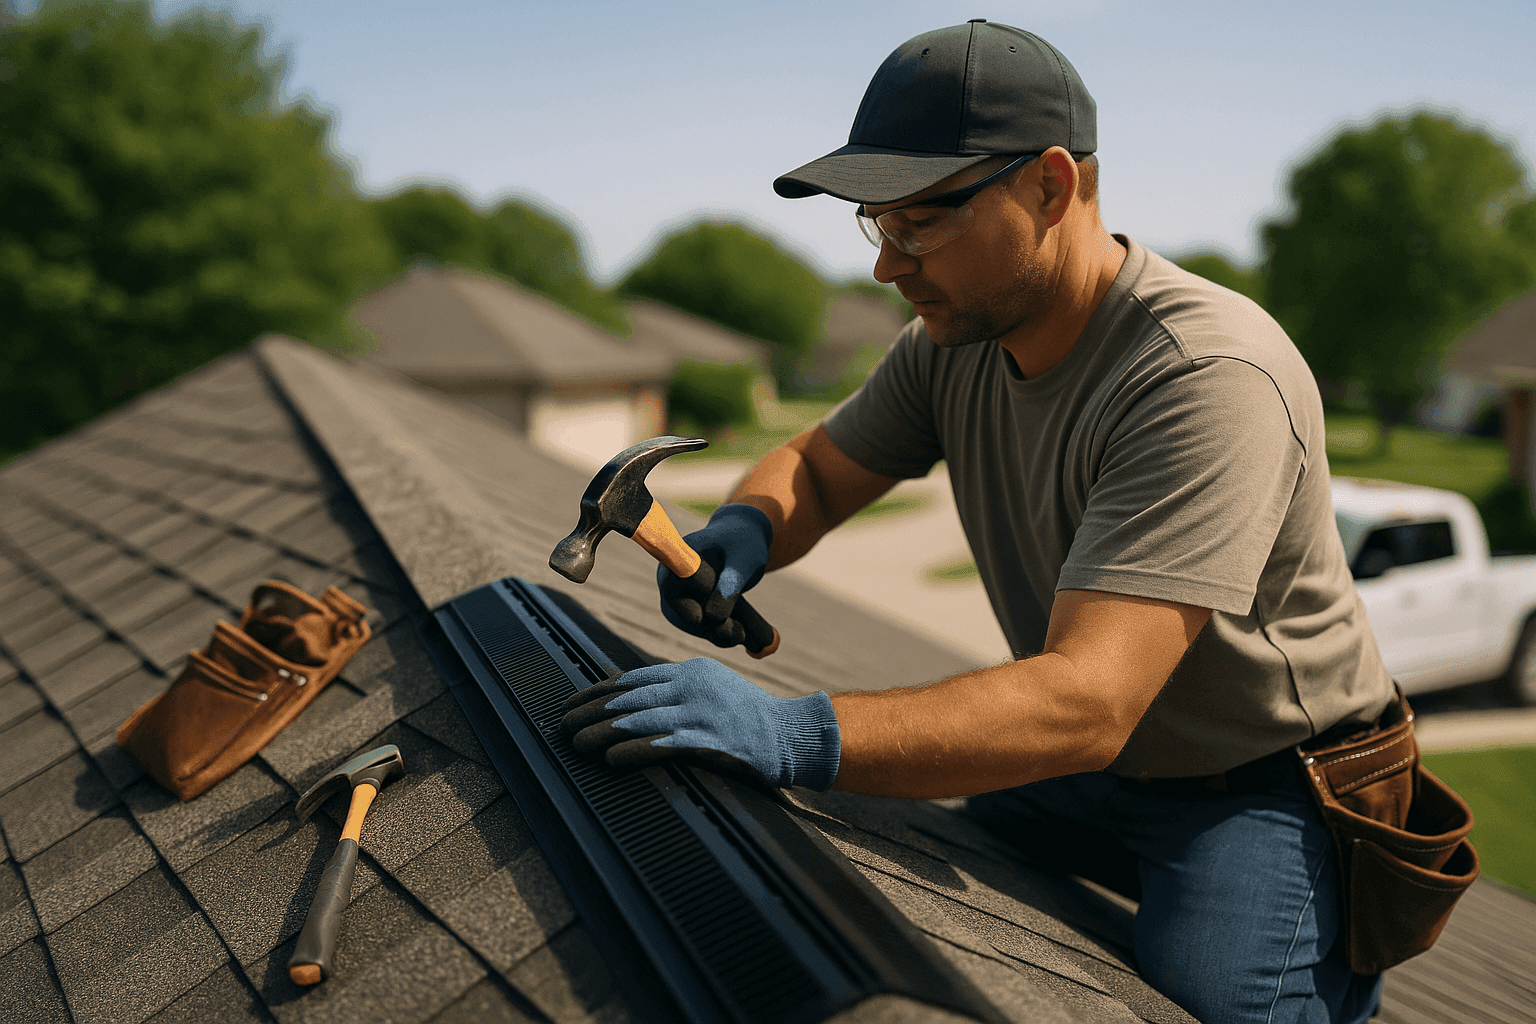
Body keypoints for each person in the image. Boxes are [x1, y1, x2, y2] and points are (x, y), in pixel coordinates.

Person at [562, 20, 1393, 1023]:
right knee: (924, 835)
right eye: (876, 224)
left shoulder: (1205, 376)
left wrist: (793, 729)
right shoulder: (955, 336)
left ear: (1051, 186)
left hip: (1269, 782)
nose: (888, 266)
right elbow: (819, 470)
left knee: (1213, 1000)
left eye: (919, 221)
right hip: (1101, 768)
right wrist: (746, 529)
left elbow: (1089, 700)